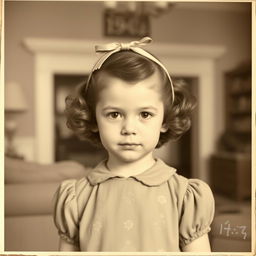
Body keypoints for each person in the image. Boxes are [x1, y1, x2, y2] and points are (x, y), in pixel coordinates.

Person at [53, 37, 215, 252]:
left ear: (165, 120)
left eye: (145, 114)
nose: (129, 128)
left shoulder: (185, 196)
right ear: (93, 120)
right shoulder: (76, 197)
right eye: (114, 114)